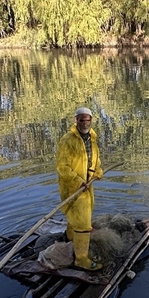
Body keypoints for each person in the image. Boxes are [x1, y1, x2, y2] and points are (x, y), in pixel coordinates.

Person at [56, 107, 105, 271]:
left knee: (82, 214)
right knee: (83, 222)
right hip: (73, 187)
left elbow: (94, 159)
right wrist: (77, 181)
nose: (85, 123)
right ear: (75, 120)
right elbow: (62, 167)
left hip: (87, 184)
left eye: (88, 120)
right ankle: (81, 259)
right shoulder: (67, 140)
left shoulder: (92, 137)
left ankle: (71, 237)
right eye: (82, 120)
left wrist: (98, 171)